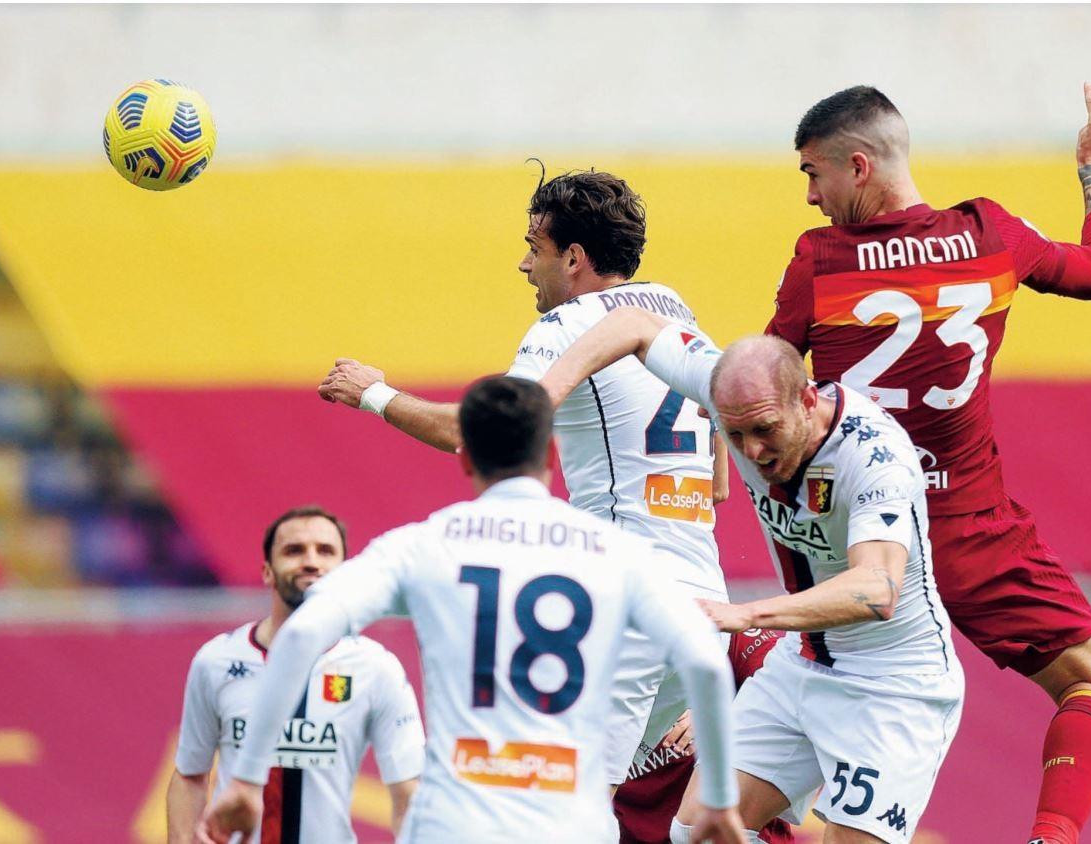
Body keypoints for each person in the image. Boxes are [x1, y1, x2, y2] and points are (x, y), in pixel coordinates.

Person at [767, 85, 1091, 844]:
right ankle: (1053, 837)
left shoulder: (821, 263)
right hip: (972, 534)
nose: (810, 197)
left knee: (805, 711)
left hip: (856, 549)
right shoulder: (991, 233)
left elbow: (765, 384)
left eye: (814, 175)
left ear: (859, 165)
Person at [316, 167, 732, 803]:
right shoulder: (677, 311)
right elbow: (720, 474)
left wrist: (372, 392)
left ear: (573, 257)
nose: (522, 264)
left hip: (629, 609)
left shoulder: (568, 327)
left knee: (556, 801)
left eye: (534, 247)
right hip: (705, 606)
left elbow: (483, 430)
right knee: (601, 804)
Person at [197, 377, 745, 844]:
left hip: (454, 819)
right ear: (550, 452)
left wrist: (245, 780)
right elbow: (702, 658)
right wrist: (718, 799)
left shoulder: (424, 544)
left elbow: (299, 635)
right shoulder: (615, 552)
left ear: (464, 455)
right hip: (571, 823)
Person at [539, 325, 964, 843]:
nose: (754, 451)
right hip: (803, 665)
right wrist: (542, 398)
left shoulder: (875, 459)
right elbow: (636, 324)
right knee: (698, 832)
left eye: (765, 430)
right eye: (734, 435)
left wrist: (743, 614)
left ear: (807, 399)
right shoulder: (734, 393)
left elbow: (877, 589)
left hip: (894, 686)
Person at [166, 505, 424, 844]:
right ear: (267, 572)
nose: (311, 561)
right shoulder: (217, 660)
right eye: (294, 550)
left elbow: (409, 792)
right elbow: (190, 775)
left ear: (345, 571)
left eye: (325, 551)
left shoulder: (376, 669)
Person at [615, 628, 797, 844]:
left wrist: (719, 711)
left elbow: (796, 689)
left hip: (729, 833)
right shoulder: (584, 653)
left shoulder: (723, 631)